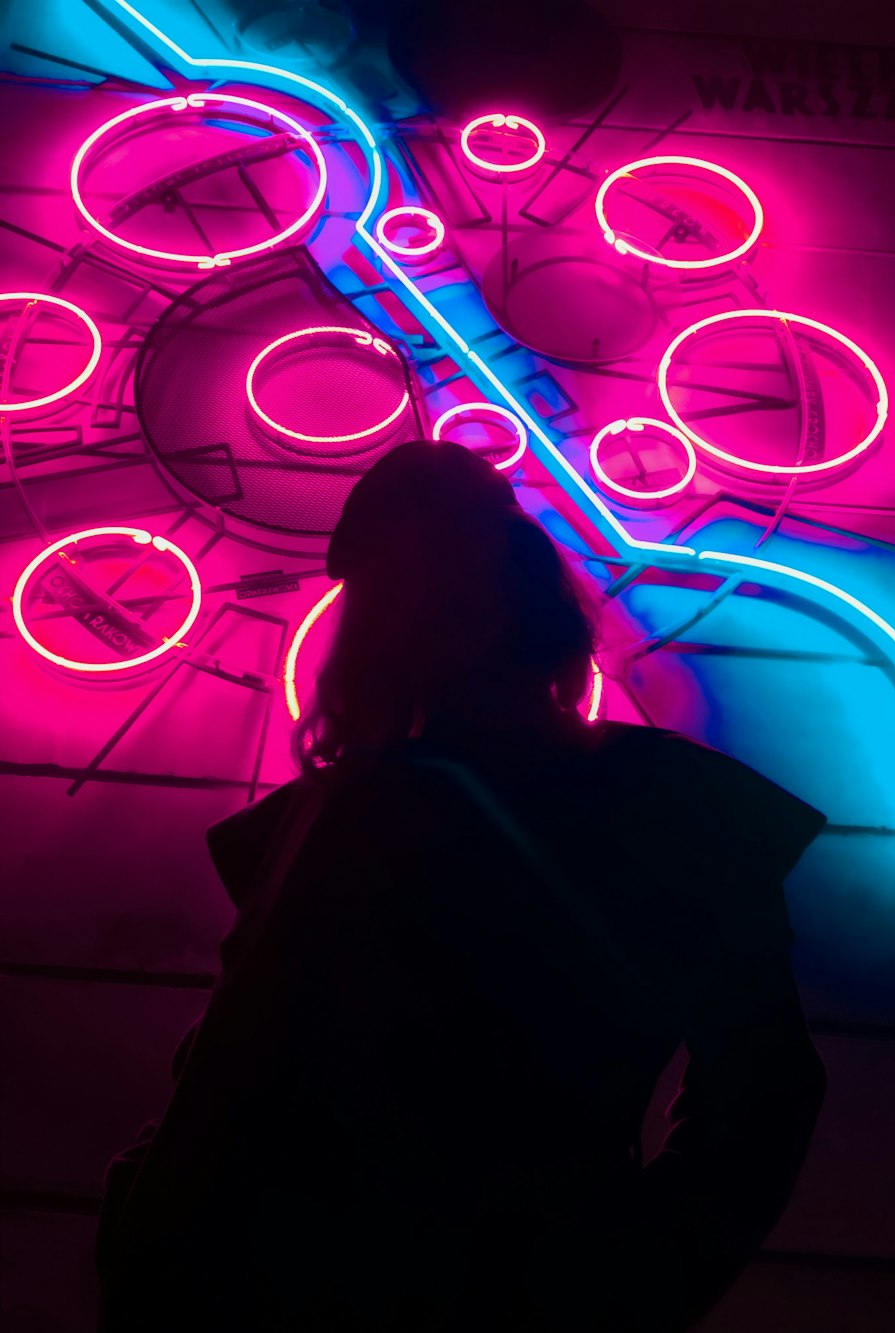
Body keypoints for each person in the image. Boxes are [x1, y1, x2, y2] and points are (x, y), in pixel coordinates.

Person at [96, 439, 827, 1332]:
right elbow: (764, 1089)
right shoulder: (676, 799)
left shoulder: (325, 818)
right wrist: (628, 1276)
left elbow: (222, 1083)